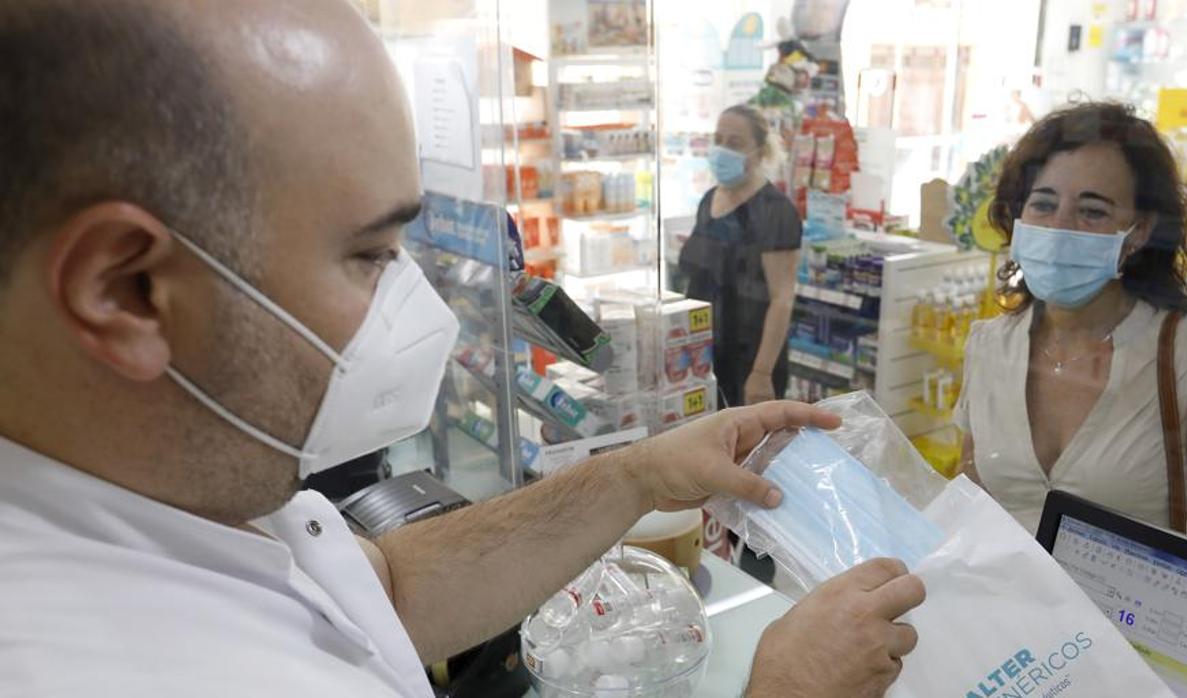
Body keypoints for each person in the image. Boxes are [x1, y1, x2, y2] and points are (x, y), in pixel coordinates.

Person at [0, 2, 925, 697]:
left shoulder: (165, 478)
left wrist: (636, 477)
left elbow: (390, 589)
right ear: (124, 291)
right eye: (369, 254)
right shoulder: (109, 664)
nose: (415, 304)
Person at [955, 102, 1187, 552]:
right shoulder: (989, 345)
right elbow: (969, 512)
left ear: (1140, 231)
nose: (1059, 228)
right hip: (998, 615)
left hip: (1128, 622)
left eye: (1092, 211)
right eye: (1043, 204)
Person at [679, 104, 802, 407]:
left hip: (751, 362)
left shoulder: (776, 211)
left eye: (734, 143)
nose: (722, 150)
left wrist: (761, 374)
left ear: (760, 151)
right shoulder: (709, 200)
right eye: (718, 140)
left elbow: (782, 298)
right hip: (703, 356)